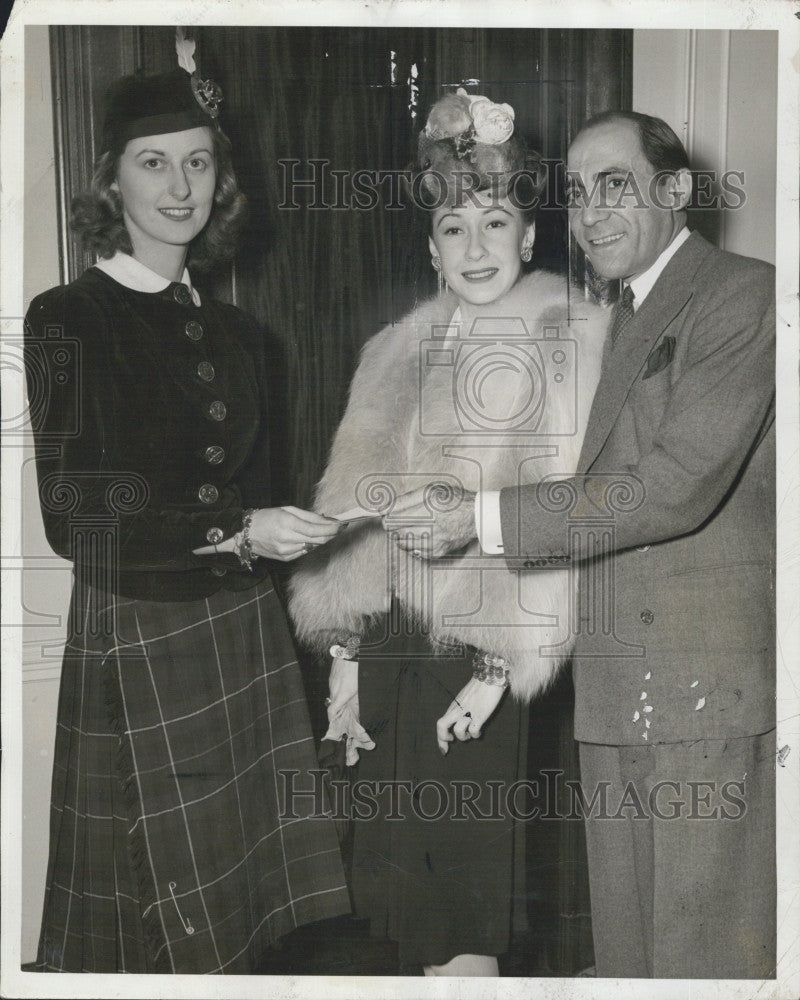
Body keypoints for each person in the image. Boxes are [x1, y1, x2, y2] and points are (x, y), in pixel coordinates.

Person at [389, 110, 776, 979]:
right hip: (612, 686)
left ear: (676, 193)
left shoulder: (744, 294)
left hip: (701, 687)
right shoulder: (618, 315)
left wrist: (480, 519)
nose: (591, 212)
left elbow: (672, 486)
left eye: (615, 186)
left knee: (703, 957)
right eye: (576, 193)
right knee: (635, 958)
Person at [23, 46, 350, 973]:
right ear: (112, 181)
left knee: (244, 910)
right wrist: (240, 531)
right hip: (140, 627)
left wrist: (292, 525)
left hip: (241, 628)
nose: (180, 185)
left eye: (199, 161)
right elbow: (74, 516)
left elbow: (258, 490)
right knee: (146, 915)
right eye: (154, 162)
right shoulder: (64, 318)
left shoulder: (247, 335)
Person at [288, 88, 608, 976]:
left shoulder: (566, 338)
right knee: (407, 910)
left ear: (531, 238)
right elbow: (355, 510)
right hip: (390, 651)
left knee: (465, 909)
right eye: (455, 230)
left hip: (477, 659)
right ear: (431, 244)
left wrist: (500, 669)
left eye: (495, 224)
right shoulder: (394, 349)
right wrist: (345, 664)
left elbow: (559, 507)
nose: (476, 248)